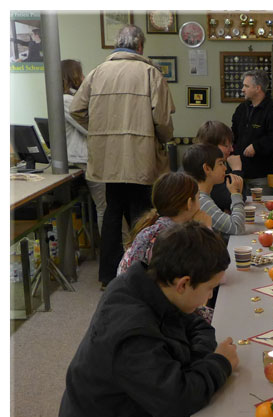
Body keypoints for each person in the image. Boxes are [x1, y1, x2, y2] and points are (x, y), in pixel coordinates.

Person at [58, 221, 239, 417]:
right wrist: (220, 363)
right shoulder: (133, 333)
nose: (209, 297)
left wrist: (196, 364)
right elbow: (177, 400)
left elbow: (198, 327)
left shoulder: (152, 288)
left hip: (143, 410)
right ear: (183, 284)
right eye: (210, 289)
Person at [70, 24, 175, 289]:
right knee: (142, 215)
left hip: (108, 160)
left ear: (117, 44)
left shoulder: (97, 73)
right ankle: (139, 273)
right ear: (140, 46)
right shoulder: (150, 73)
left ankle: (108, 276)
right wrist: (164, 139)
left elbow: (76, 109)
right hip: (142, 158)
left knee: (113, 213)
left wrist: (100, 130)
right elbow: (162, 121)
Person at [117, 172, 211, 275]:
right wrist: (206, 230)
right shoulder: (176, 238)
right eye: (198, 198)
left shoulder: (153, 229)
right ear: (189, 204)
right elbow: (210, 272)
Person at [61, 59, 106, 232]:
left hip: (86, 157)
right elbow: (89, 127)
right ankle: (112, 254)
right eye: (81, 73)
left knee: (104, 207)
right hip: (85, 158)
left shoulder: (70, 98)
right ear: (74, 76)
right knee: (104, 207)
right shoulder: (67, 100)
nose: (84, 77)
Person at [230, 69, 273, 196]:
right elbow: (234, 134)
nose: (242, 89)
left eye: (246, 86)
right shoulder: (241, 109)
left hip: (262, 176)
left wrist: (257, 146)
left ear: (257, 88)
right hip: (240, 174)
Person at [182, 143, 245, 237]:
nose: (225, 168)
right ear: (207, 168)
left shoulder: (202, 195)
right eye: (220, 163)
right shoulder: (201, 200)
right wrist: (236, 194)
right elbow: (237, 227)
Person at [195, 120, 244, 212]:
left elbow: (241, 196)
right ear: (211, 146)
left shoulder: (220, 164)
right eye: (227, 145)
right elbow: (228, 201)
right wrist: (237, 170)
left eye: (231, 145)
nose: (232, 149)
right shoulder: (206, 168)